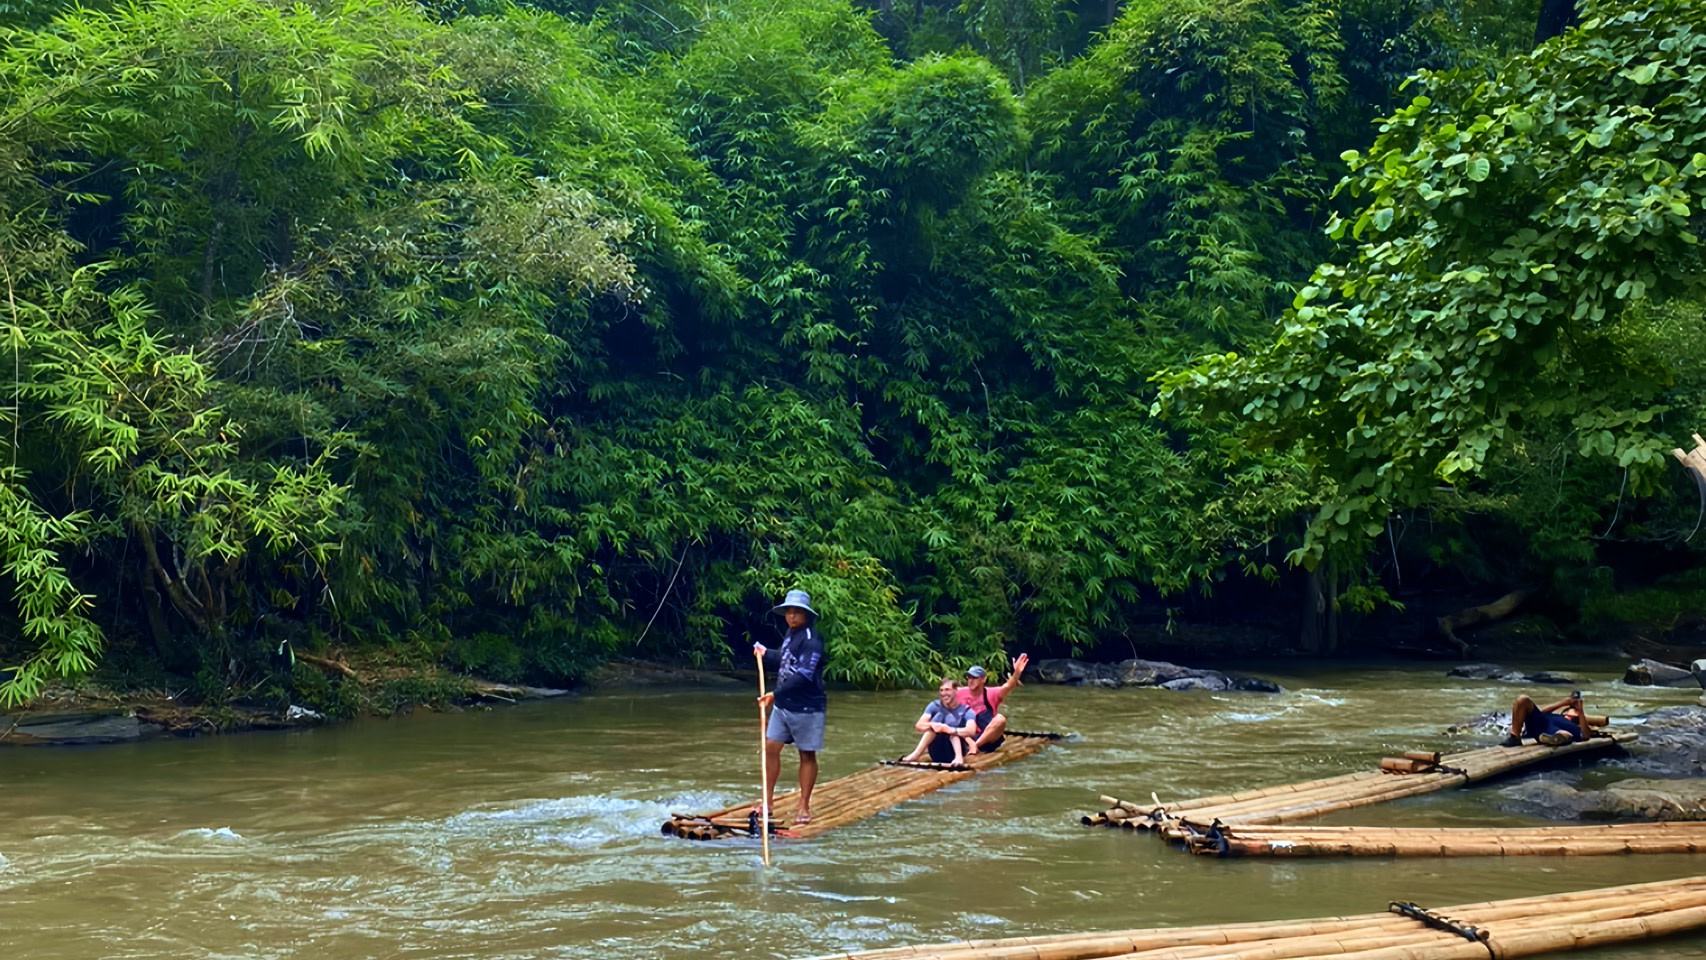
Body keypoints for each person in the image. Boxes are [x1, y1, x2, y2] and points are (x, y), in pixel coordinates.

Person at [754, 588, 828, 824]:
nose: (792, 617)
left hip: (807, 707)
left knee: (806, 754)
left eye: (797, 613)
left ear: (806, 615)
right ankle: (768, 802)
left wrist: (774, 694)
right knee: (771, 747)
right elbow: (786, 660)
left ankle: (804, 806)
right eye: (789, 612)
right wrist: (766, 653)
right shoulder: (790, 634)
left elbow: (803, 675)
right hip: (784, 705)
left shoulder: (812, 640)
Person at [958, 653, 1028, 753]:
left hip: (986, 739)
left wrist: (1016, 673)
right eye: (969, 677)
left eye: (974, 678)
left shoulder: (991, 693)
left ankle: (975, 747)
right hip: (966, 737)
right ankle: (969, 746)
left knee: (1000, 719)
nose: (971, 680)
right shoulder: (960, 692)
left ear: (983, 679)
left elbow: (1008, 686)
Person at [902, 677, 979, 765]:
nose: (943, 693)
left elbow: (971, 730)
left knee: (952, 731)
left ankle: (958, 758)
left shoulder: (967, 711)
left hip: (955, 750)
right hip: (936, 751)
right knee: (934, 726)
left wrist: (950, 729)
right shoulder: (934, 706)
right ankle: (915, 755)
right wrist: (934, 725)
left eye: (947, 690)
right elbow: (919, 725)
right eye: (941, 690)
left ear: (956, 691)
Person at [1502, 690, 1597, 746]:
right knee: (1523, 700)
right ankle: (1515, 737)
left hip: (1556, 731)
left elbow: (1586, 736)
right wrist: (1564, 702)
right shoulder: (1559, 715)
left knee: (1564, 734)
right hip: (1540, 722)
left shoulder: (1577, 725)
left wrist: (1580, 711)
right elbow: (1542, 712)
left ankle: (1548, 738)